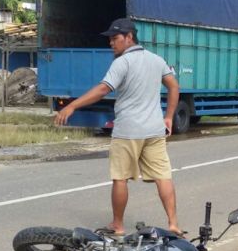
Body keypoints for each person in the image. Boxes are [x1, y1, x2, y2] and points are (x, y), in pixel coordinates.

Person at [54, 18, 182, 236]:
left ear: (129, 37)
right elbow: (174, 86)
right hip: (154, 130)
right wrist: (168, 117)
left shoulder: (122, 62)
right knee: (163, 176)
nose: (111, 43)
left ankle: (118, 225)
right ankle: (173, 224)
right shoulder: (156, 60)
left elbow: (103, 89)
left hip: (128, 131)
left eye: (115, 39)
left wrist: (72, 105)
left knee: (120, 178)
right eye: (111, 39)